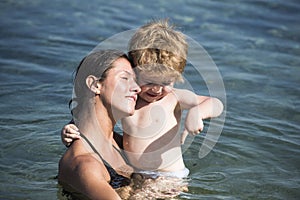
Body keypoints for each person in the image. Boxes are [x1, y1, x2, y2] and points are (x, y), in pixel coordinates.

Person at [62, 20, 223, 178]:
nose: (157, 89)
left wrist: (197, 112)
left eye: (166, 82)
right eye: (150, 81)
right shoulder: (129, 100)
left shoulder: (173, 98)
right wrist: (72, 129)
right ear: (135, 72)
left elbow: (216, 104)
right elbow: (98, 118)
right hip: (137, 174)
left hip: (168, 177)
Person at [58, 49, 141, 200]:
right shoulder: (86, 165)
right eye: (125, 78)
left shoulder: (119, 142)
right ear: (95, 85)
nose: (138, 88)